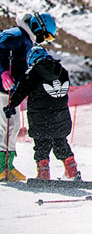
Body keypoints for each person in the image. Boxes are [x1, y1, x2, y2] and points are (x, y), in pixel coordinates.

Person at [5, 46, 78, 181]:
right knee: (60, 141)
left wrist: (11, 106)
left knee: (41, 145)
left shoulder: (33, 74)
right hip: (61, 117)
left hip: (40, 118)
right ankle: (72, 170)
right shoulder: (62, 71)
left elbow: (21, 92)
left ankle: (43, 174)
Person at [0, 12, 56, 182]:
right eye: (45, 35)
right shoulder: (16, 35)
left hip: (11, 91)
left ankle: (7, 166)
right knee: (4, 125)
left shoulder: (26, 40)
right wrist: (3, 73)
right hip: (2, 88)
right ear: (38, 28)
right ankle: (1, 167)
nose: (44, 40)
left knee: (13, 125)